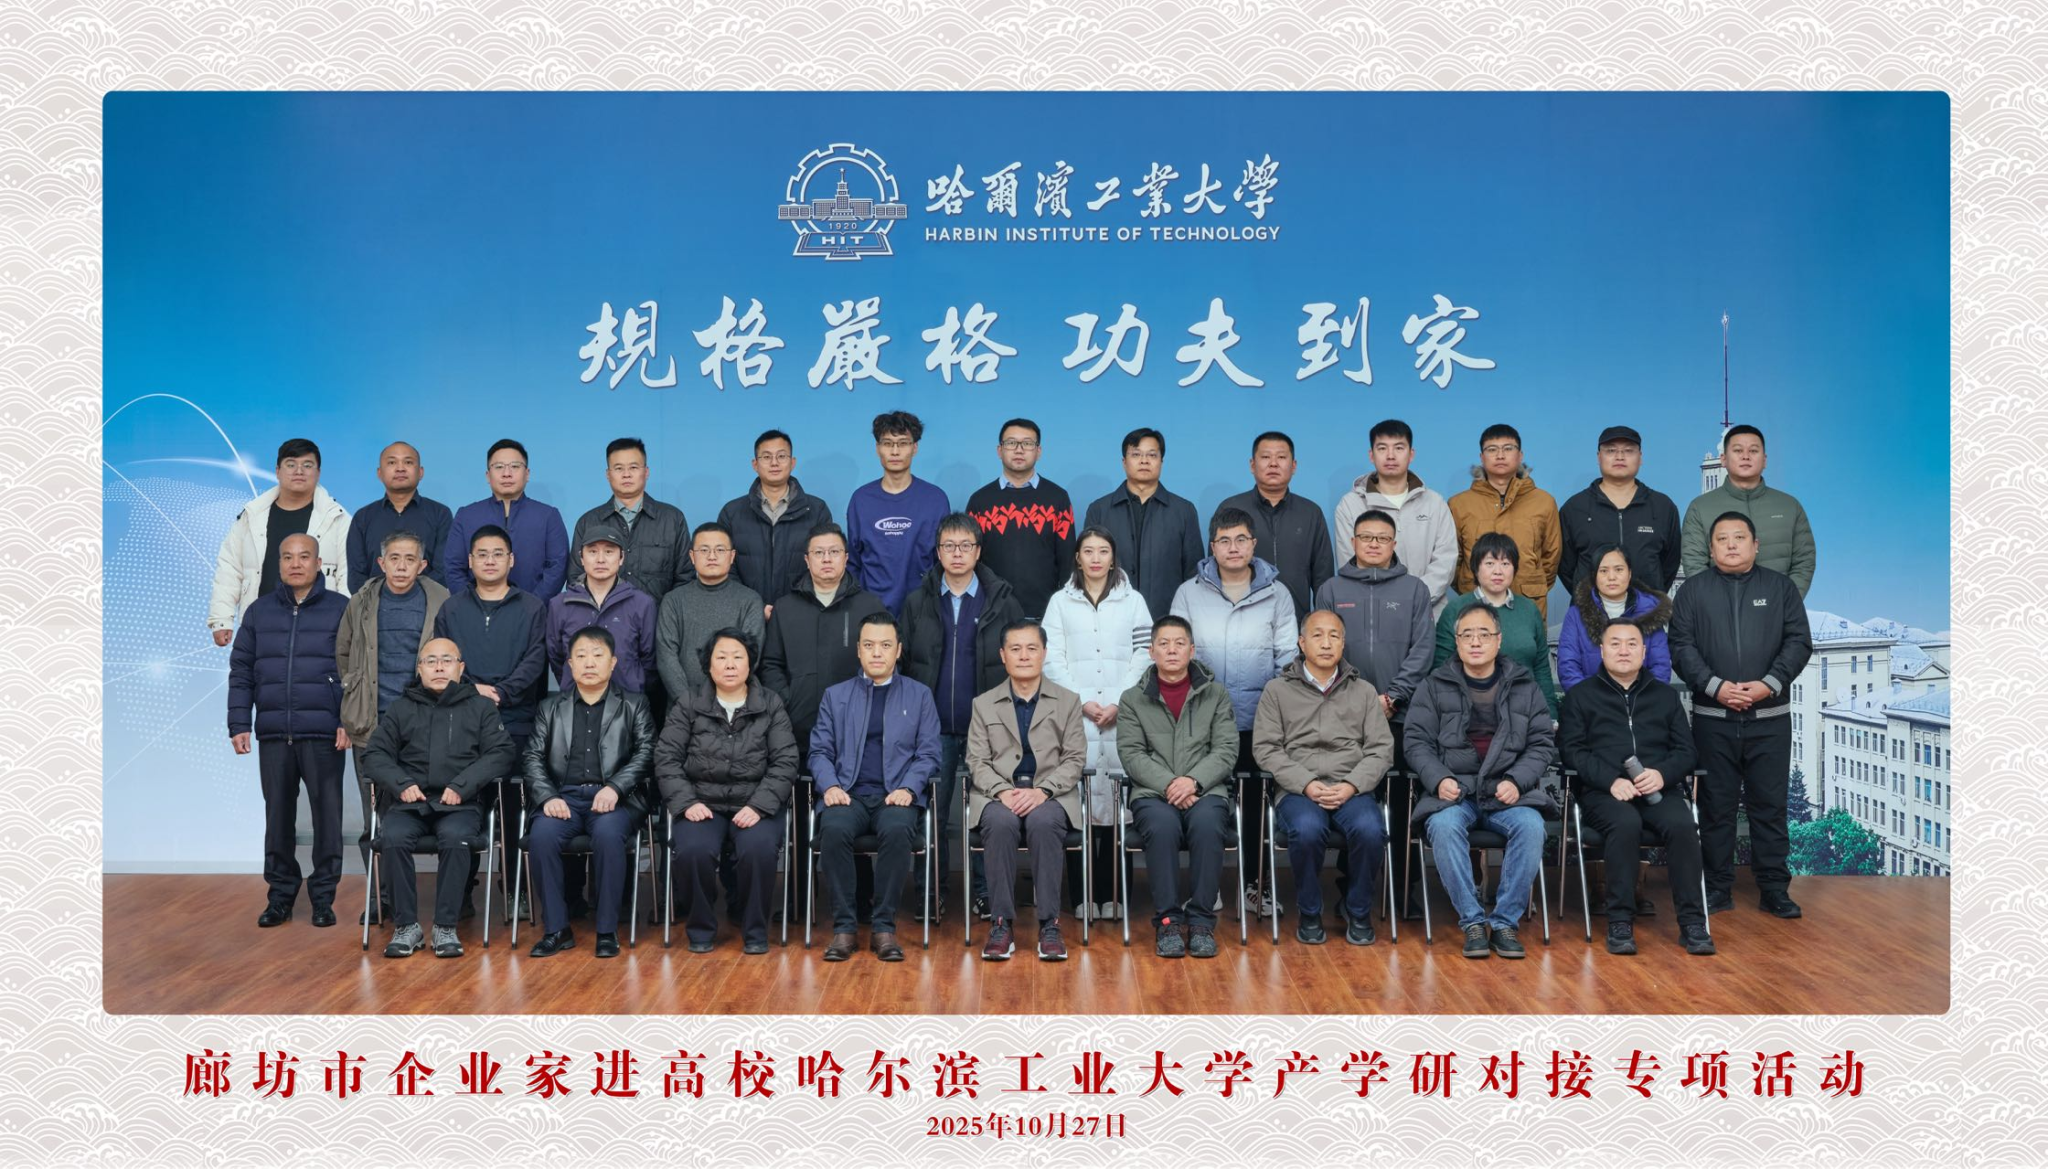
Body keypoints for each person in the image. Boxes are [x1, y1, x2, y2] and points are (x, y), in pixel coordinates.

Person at [1669, 511, 1814, 919]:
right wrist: (1714, 685)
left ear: (1756, 545)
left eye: (1739, 537)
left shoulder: (1781, 588)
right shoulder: (1692, 592)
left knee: (1770, 807)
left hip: (1770, 719)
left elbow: (1798, 642)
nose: (1731, 545)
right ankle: (1717, 887)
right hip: (1712, 719)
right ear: (1710, 548)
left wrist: (1770, 683)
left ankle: (1774, 889)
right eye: (1722, 539)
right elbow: (1680, 646)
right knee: (1716, 808)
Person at [1407, 602, 1558, 960]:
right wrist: (1438, 778)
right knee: (1443, 827)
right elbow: (1415, 741)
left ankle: (1505, 923)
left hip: (1507, 792)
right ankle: (1473, 921)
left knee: (1531, 827)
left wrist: (1517, 781)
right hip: (1455, 793)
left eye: (1484, 634)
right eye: (1467, 635)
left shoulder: (1524, 685)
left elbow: (1541, 743)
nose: (1475, 642)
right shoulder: (1434, 685)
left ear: (1498, 640)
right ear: (1456, 641)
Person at [1558, 618, 1714, 956]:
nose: (1623, 650)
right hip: (1604, 793)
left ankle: (1692, 923)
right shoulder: (1580, 697)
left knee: (1683, 825)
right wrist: (1609, 780)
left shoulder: (1665, 697)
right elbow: (1572, 751)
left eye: (1632, 644)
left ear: (1644, 652)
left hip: (1659, 790)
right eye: (1615, 643)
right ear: (1602, 650)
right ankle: (1620, 921)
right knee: (1625, 823)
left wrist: (1662, 774)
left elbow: (1687, 751)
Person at [1170, 506, 1298, 918]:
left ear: (1253, 544)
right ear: (1212, 547)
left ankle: (1256, 886)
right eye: (1224, 541)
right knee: (1205, 805)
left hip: (1260, 721)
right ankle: (1207, 889)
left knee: (1257, 808)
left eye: (1241, 539)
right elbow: (1179, 655)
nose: (1233, 548)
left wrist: (1278, 711)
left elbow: (1287, 658)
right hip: (1203, 725)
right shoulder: (1189, 592)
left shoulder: (1277, 593)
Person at [760, 522, 888, 918]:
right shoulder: (786, 607)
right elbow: (771, 664)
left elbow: (882, 666)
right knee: (800, 823)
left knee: (850, 816)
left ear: (846, 558)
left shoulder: (869, 606)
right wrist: (788, 702)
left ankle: (860, 903)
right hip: (798, 730)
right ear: (807, 559)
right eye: (819, 553)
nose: (827, 559)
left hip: (857, 735)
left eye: (834, 552)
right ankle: (800, 902)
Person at [358, 638, 516, 958]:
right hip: (409, 802)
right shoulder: (401, 708)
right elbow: (374, 755)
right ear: (419, 669)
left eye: (447, 660)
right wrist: (401, 784)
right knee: (393, 838)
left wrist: (462, 786)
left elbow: (502, 753)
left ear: (461, 668)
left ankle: (446, 926)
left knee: (456, 838)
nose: (439, 667)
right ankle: (407, 927)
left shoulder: (480, 707)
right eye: (431, 661)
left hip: (460, 803)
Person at [899, 514, 1024, 919]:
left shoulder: (1001, 600)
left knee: (987, 812)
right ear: (938, 552)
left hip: (989, 729)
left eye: (965, 545)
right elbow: (903, 664)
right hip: (931, 728)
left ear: (978, 551)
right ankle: (931, 892)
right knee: (931, 812)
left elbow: (1021, 662)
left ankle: (986, 893)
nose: (957, 553)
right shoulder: (918, 602)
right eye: (949, 546)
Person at [1313, 508, 1434, 918]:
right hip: (1345, 717)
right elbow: (1326, 649)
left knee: (1401, 806)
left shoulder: (1415, 590)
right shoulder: (1331, 588)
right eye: (1366, 537)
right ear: (1353, 542)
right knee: (1355, 805)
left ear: (1394, 544)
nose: (1374, 544)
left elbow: (1423, 650)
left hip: (1402, 717)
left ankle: (1403, 890)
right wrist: (1362, 701)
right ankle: (1351, 894)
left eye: (1382, 538)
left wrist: (1393, 696)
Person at [226, 533, 350, 928]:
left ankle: (323, 899)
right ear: (278, 563)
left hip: (324, 733)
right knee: (277, 819)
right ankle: (279, 897)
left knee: (327, 819)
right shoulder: (258, 612)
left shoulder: (341, 609)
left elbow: (356, 670)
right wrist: (239, 722)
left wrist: (348, 720)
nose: (296, 564)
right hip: (275, 734)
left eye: (304, 556)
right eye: (287, 557)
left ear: (319, 563)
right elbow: (241, 670)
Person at [1252, 609, 1394, 946]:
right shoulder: (1277, 690)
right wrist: (1305, 783)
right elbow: (1266, 748)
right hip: (1298, 789)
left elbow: (1381, 749)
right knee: (1307, 830)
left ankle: (1358, 911)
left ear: (1343, 644)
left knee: (1371, 830)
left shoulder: (1363, 691)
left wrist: (1351, 785)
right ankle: (1310, 912)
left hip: (1352, 787)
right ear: (1302, 643)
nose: (1326, 643)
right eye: (1317, 635)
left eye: (1334, 636)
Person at [655, 629, 799, 955]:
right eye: (721, 657)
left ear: (751, 664)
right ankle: (701, 928)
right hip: (702, 804)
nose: (730, 665)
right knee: (692, 850)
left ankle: (755, 930)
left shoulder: (770, 704)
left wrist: (759, 805)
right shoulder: (689, 703)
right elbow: (666, 758)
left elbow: (786, 761)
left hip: (755, 803)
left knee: (759, 849)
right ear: (708, 665)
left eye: (738, 657)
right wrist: (687, 803)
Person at [809, 613, 942, 961]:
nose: (877, 653)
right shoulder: (835, 696)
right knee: (833, 829)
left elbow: (929, 753)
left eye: (885, 645)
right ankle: (844, 929)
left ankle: (884, 928)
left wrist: (909, 789)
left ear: (898, 650)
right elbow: (819, 751)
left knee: (897, 831)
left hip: (895, 796)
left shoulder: (919, 695)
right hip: (847, 794)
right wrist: (830, 785)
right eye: (869, 645)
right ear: (858, 650)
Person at [521, 627, 655, 959]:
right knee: (541, 837)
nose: (589, 663)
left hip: (615, 800)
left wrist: (615, 787)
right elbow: (532, 757)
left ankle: (607, 930)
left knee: (609, 837)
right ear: (569, 664)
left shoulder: (634, 705)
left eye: (597, 655)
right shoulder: (550, 707)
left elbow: (646, 753)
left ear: (613, 663)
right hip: (562, 798)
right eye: (581, 656)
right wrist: (548, 796)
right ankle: (556, 929)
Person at [432, 524, 548, 907]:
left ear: (511, 560)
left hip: (516, 722)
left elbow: (536, 659)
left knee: (514, 811)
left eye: (498, 554)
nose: (490, 561)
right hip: (462, 724)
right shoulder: (451, 608)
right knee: (463, 808)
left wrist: (502, 692)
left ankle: (515, 889)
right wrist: (472, 691)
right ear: (470, 561)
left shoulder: (532, 607)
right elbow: (442, 660)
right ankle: (461, 892)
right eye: (482, 554)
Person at [336, 529, 449, 921]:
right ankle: (380, 898)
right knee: (374, 816)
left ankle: (450, 900)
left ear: (423, 565)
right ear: (381, 563)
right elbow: (344, 653)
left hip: (424, 727)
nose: (401, 567)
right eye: (394, 559)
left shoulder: (441, 599)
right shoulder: (362, 601)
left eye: (410, 559)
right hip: (371, 725)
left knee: (427, 811)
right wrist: (355, 695)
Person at [1041, 527, 1152, 920]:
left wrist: (1120, 699)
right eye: (1088, 551)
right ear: (1077, 557)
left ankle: (1115, 895)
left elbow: (1145, 653)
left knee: (1118, 807)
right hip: (1076, 715)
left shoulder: (1133, 601)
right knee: (1080, 805)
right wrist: (1082, 700)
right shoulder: (1060, 602)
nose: (1095, 559)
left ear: (1113, 556)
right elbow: (1051, 658)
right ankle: (1082, 896)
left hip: (1123, 714)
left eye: (1103, 551)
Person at [1116, 615, 1238, 958]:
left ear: (1192, 650)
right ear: (1151, 651)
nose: (1172, 650)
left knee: (1208, 824)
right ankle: (1168, 921)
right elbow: (1132, 754)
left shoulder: (1215, 694)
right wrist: (1171, 784)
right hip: (1153, 793)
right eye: (1164, 643)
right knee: (1163, 826)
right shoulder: (1132, 699)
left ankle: (1200, 922)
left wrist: (1193, 782)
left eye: (1179, 643)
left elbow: (1226, 749)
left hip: (1206, 790)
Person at [968, 620, 1090, 962]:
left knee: (1043, 822)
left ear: (1044, 654)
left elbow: (1075, 758)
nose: (1024, 656)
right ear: (1003, 655)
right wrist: (1001, 791)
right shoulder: (984, 704)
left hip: (1050, 794)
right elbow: (976, 760)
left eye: (1032, 648)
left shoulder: (1068, 702)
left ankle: (1050, 924)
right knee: (1000, 823)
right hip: (999, 794)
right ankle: (1001, 924)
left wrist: (1044, 791)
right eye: (1016, 649)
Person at [208, 438, 350, 644]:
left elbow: (349, 575)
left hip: (319, 629)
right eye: (291, 465)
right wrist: (221, 619)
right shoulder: (251, 516)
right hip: (260, 625)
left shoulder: (337, 519)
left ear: (318, 472)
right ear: (277, 471)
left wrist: (347, 626)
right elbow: (229, 567)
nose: (299, 471)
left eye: (307, 465)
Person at [1331, 419, 1460, 617]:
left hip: (1428, 613)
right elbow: (1350, 563)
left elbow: (1446, 561)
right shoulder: (1350, 505)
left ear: (1411, 454)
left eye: (1399, 448)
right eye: (1382, 448)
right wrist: (1387, 603)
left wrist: (1413, 598)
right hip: (1372, 615)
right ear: (1371, 455)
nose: (1390, 455)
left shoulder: (1435, 503)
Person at [1679, 424, 1818, 596]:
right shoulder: (1700, 507)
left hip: (1779, 608)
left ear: (1764, 460)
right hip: (1718, 609)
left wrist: (1786, 602)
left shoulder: (1789, 506)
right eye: (1738, 450)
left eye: (1753, 451)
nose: (1745, 456)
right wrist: (1715, 605)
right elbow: (1694, 563)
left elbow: (1804, 561)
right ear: (1723, 459)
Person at [1080, 427, 1203, 621]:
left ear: (1161, 461)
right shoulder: (1099, 510)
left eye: (1152, 455)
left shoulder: (1183, 511)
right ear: (1124, 462)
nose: (1144, 461)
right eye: (1136, 454)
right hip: (1110, 620)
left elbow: (1193, 575)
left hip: (1167, 622)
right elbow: (1087, 569)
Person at [1434, 533, 1561, 717]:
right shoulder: (1456, 609)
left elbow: (1541, 668)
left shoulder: (1529, 609)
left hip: (1526, 710)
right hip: (1472, 712)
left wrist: (1550, 714)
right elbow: (1440, 668)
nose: (1498, 571)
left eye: (1505, 563)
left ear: (1514, 568)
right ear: (1476, 568)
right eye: (1490, 563)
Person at [964, 417, 1077, 620]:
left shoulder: (1057, 498)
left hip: (1045, 614)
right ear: (999, 450)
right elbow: (969, 558)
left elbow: (1067, 560)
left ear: (1038, 451)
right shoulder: (980, 501)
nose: (1019, 450)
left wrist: (1064, 609)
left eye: (1027, 443)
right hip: (991, 613)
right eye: (1011, 443)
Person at [1219, 430, 1335, 621]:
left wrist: (1320, 624)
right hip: (1242, 622)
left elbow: (1323, 576)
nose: (1273, 463)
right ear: (1252, 465)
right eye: (1265, 457)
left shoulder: (1310, 512)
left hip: (1296, 621)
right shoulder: (1231, 508)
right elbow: (1216, 569)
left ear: (1294, 466)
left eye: (1281, 457)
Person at [1447, 423, 1561, 618]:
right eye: (1492, 449)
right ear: (1482, 457)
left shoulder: (1544, 502)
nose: (1500, 455)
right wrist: (1469, 583)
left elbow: (1551, 557)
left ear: (1520, 455)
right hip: (1475, 604)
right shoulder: (1459, 504)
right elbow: (1452, 558)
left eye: (1508, 448)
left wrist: (1531, 584)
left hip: (1528, 604)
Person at [844, 411, 950, 616]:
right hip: (872, 614)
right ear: (877, 448)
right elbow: (853, 563)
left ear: (914, 448)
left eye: (903, 443)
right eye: (887, 443)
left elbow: (943, 562)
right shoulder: (861, 500)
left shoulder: (935, 499)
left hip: (923, 612)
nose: (895, 451)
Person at [1557, 425, 1682, 595]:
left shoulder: (1662, 507)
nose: (1620, 457)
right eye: (1611, 450)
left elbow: (1670, 564)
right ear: (1598, 457)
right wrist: (1589, 598)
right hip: (1591, 609)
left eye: (1628, 451)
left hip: (1648, 608)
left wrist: (1650, 597)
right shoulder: (1575, 508)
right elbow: (1565, 567)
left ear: (1640, 457)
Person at [567, 437, 692, 605]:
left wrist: (668, 617)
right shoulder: (588, 522)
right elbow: (576, 579)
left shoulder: (672, 519)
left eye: (633, 467)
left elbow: (685, 579)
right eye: (619, 468)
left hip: (658, 619)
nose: (626, 474)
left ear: (646, 472)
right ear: (608, 474)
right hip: (602, 619)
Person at [718, 429, 834, 609]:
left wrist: (793, 606)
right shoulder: (732, 513)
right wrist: (752, 607)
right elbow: (724, 566)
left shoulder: (817, 510)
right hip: (745, 613)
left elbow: (826, 564)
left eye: (781, 456)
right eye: (766, 457)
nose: (774, 463)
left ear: (792, 462)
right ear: (755, 464)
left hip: (802, 611)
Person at [442, 438, 569, 600]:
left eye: (515, 466)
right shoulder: (466, 516)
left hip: (536, 611)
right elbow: (453, 567)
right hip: (475, 612)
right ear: (488, 475)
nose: (507, 473)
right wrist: (473, 606)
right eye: (499, 467)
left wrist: (531, 607)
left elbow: (557, 567)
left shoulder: (548, 516)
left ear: (527, 474)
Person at [655, 522, 766, 702]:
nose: (712, 556)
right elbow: (666, 657)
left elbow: (751, 657)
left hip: (734, 707)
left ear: (732, 556)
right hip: (683, 707)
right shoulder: (673, 600)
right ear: (692, 556)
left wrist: (722, 703)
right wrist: (687, 703)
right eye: (704, 550)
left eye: (720, 550)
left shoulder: (750, 600)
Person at [546, 520, 657, 695]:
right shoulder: (560, 604)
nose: (600, 559)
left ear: (621, 558)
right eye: (592, 552)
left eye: (609, 552)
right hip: (574, 701)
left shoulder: (642, 603)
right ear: (581, 558)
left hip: (628, 701)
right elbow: (556, 657)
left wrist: (635, 686)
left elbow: (649, 660)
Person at [1557, 544, 1672, 692]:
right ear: (1594, 576)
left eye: (1619, 570)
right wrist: (1590, 700)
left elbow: (1660, 667)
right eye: (1603, 571)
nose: (1611, 577)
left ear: (1629, 574)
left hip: (1641, 703)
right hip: (1590, 702)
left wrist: (1640, 700)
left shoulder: (1650, 612)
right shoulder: (1576, 614)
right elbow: (1568, 667)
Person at [345, 441, 453, 593]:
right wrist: (380, 600)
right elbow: (356, 575)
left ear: (420, 472)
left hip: (427, 604)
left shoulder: (440, 514)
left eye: (408, 462)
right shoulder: (363, 517)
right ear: (379, 473)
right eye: (392, 462)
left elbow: (443, 570)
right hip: (373, 604)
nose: (400, 468)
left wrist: (412, 598)